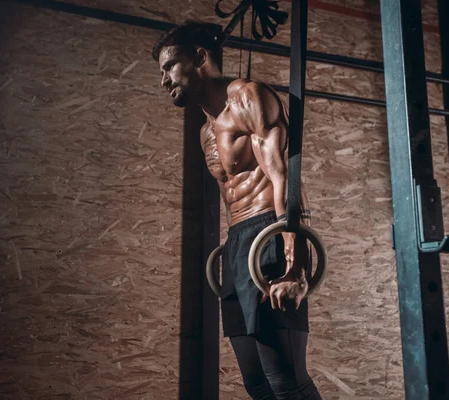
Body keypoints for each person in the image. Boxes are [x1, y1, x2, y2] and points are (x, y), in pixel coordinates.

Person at [153, 22, 322, 400]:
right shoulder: (205, 131)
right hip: (237, 246)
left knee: (286, 380)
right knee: (257, 385)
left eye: (169, 66)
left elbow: (285, 182)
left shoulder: (249, 98)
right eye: (161, 73)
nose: (164, 80)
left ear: (199, 58)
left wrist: (296, 267)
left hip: (271, 234)